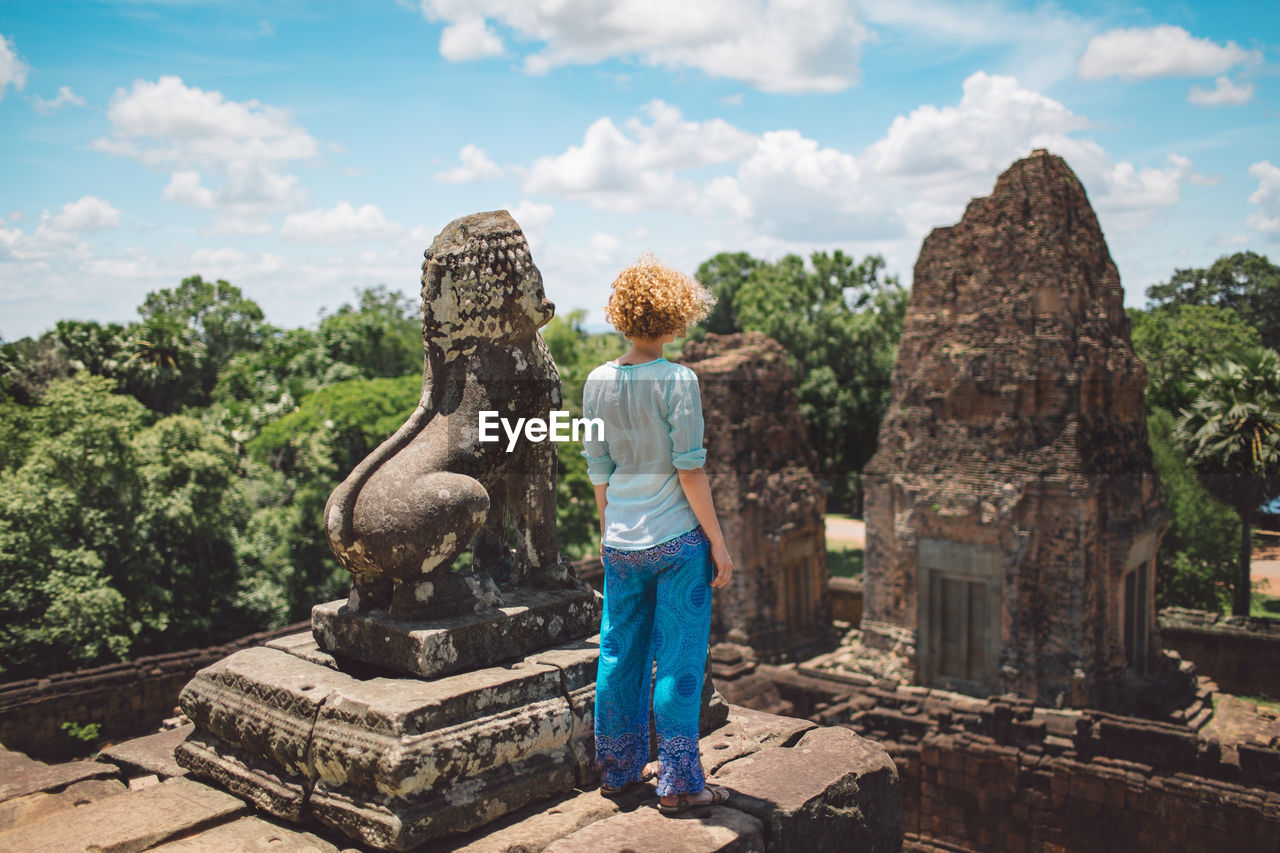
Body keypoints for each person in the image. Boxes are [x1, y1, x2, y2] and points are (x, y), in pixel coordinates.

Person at [581, 255, 735, 815]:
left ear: (623, 316)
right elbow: (690, 469)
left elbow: (599, 468)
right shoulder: (678, 380)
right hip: (675, 544)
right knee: (678, 659)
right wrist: (717, 541)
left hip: (621, 543)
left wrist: (608, 529)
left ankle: (619, 771)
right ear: (676, 319)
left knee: (618, 656)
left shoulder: (597, 381)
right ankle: (678, 784)